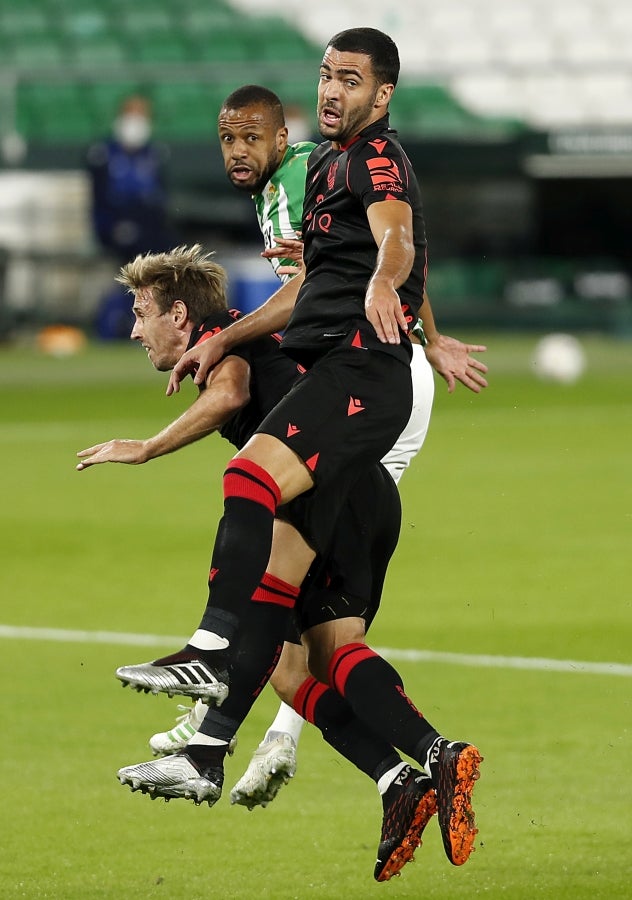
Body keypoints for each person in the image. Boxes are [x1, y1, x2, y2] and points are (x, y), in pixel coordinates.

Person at [111, 28, 483, 871]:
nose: (331, 90)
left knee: (249, 483)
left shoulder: (371, 160)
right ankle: (424, 765)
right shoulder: (323, 174)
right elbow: (318, 280)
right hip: (359, 452)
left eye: (349, 80)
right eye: (325, 75)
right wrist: (421, 319)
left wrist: (391, 281)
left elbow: (396, 238)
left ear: (380, 96)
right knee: (312, 655)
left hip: (362, 382)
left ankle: (206, 697)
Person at [77, 244, 435, 881]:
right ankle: (399, 780)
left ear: (180, 314)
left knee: (257, 588)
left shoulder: (221, 341)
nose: (133, 329)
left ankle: (206, 717)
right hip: (353, 494)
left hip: (337, 492)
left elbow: (232, 390)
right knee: (298, 668)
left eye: (141, 312)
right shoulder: (239, 336)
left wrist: (148, 448)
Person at [86, 94, 177, 338]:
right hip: (116, 230)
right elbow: (98, 199)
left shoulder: (154, 154)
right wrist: (109, 229)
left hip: (149, 230)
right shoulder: (103, 153)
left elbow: (160, 198)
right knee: (128, 275)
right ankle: (114, 325)